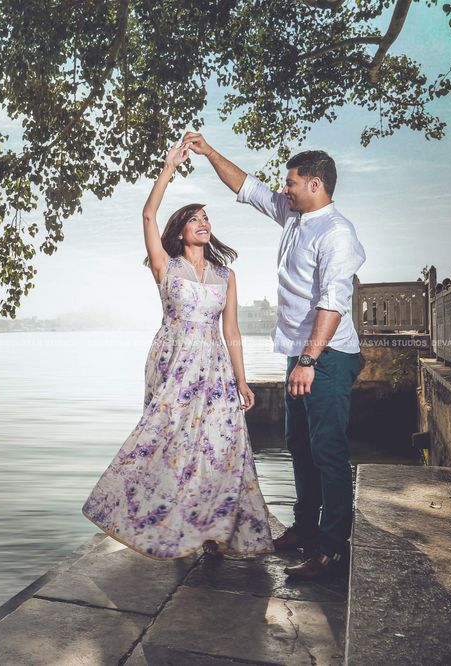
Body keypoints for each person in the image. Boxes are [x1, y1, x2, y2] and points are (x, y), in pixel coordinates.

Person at [183, 131, 366, 581]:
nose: (283, 188)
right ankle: (304, 530)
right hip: (299, 354)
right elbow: (247, 187)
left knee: (327, 451)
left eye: (291, 182)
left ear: (316, 185)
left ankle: (331, 549)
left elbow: (334, 301)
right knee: (298, 446)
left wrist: (308, 360)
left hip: (326, 356)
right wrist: (207, 152)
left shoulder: (336, 232)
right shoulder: (293, 214)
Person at [81, 142, 275, 560]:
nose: (202, 222)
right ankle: (167, 527)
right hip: (173, 363)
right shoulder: (165, 266)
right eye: (193, 218)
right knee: (170, 443)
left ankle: (214, 528)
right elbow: (148, 214)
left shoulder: (226, 274)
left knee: (221, 444)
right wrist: (168, 166)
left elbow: (232, 329)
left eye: (206, 217)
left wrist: (242, 379)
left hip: (216, 367)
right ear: (180, 230)